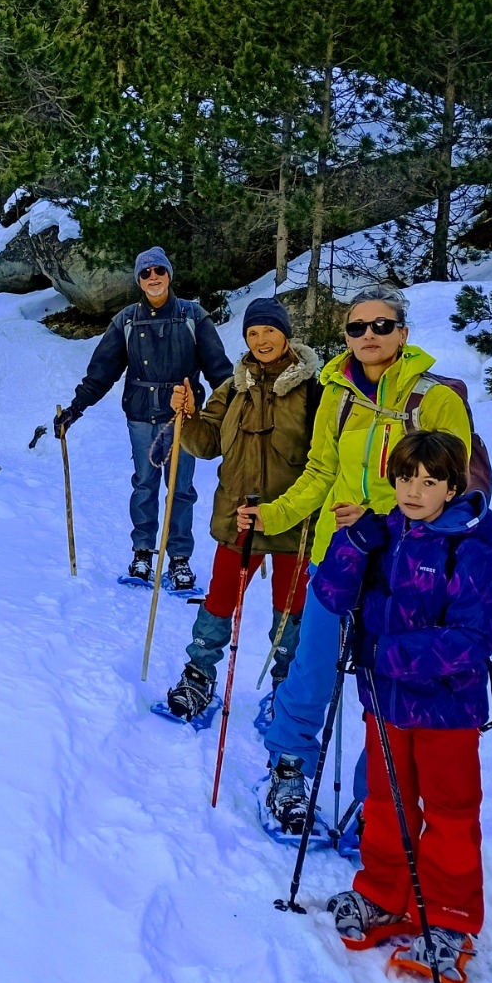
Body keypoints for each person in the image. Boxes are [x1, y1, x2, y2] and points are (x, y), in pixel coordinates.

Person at [235, 287, 472, 831]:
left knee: (385, 679)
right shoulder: (336, 392)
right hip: (336, 556)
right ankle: (288, 765)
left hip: (404, 567)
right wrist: (274, 514)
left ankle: (379, 794)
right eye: (357, 327)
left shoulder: (434, 399)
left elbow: (449, 491)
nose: (369, 336)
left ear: (403, 333)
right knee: (312, 666)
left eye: (381, 326)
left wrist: (382, 523)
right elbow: (321, 470)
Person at [302, 429, 492, 983]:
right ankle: (384, 895)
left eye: (430, 481)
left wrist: (387, 654)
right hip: (385, 705)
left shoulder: (471, 553)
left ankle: (449, 920)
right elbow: (334, 596)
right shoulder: (383, 535)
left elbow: (473, 638)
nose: (415, 491)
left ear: (452, 486)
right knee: (385, 803)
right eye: (406, 478)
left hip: (446, 712)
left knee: (449, 813)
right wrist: (350, 543)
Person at [159, 296, 322, 722]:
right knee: (218, 600)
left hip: (294, 522)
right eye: (253, 332)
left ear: (286, 333)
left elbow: (325, 458)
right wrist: (188, 418)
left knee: (291, 614)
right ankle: (199, 672)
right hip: (238, 518)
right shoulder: (233, 387)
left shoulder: (314, 390)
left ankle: (286, 688)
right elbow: (207, 443)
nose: (262, 339)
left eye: (269, 330)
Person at [55, 247, 232, 592]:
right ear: (139, 280)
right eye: (145, 273)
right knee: (145, 484)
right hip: (141, 415)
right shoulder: (126, 320)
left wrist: (235, 411)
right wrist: (76, 408)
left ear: (169, 274)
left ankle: (179, 559)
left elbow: (219, 371)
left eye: (158, 271)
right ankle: (143, 554)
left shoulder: (193, 316)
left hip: (184, 418)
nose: (153, 277)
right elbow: (102, 371)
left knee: (180, 489)